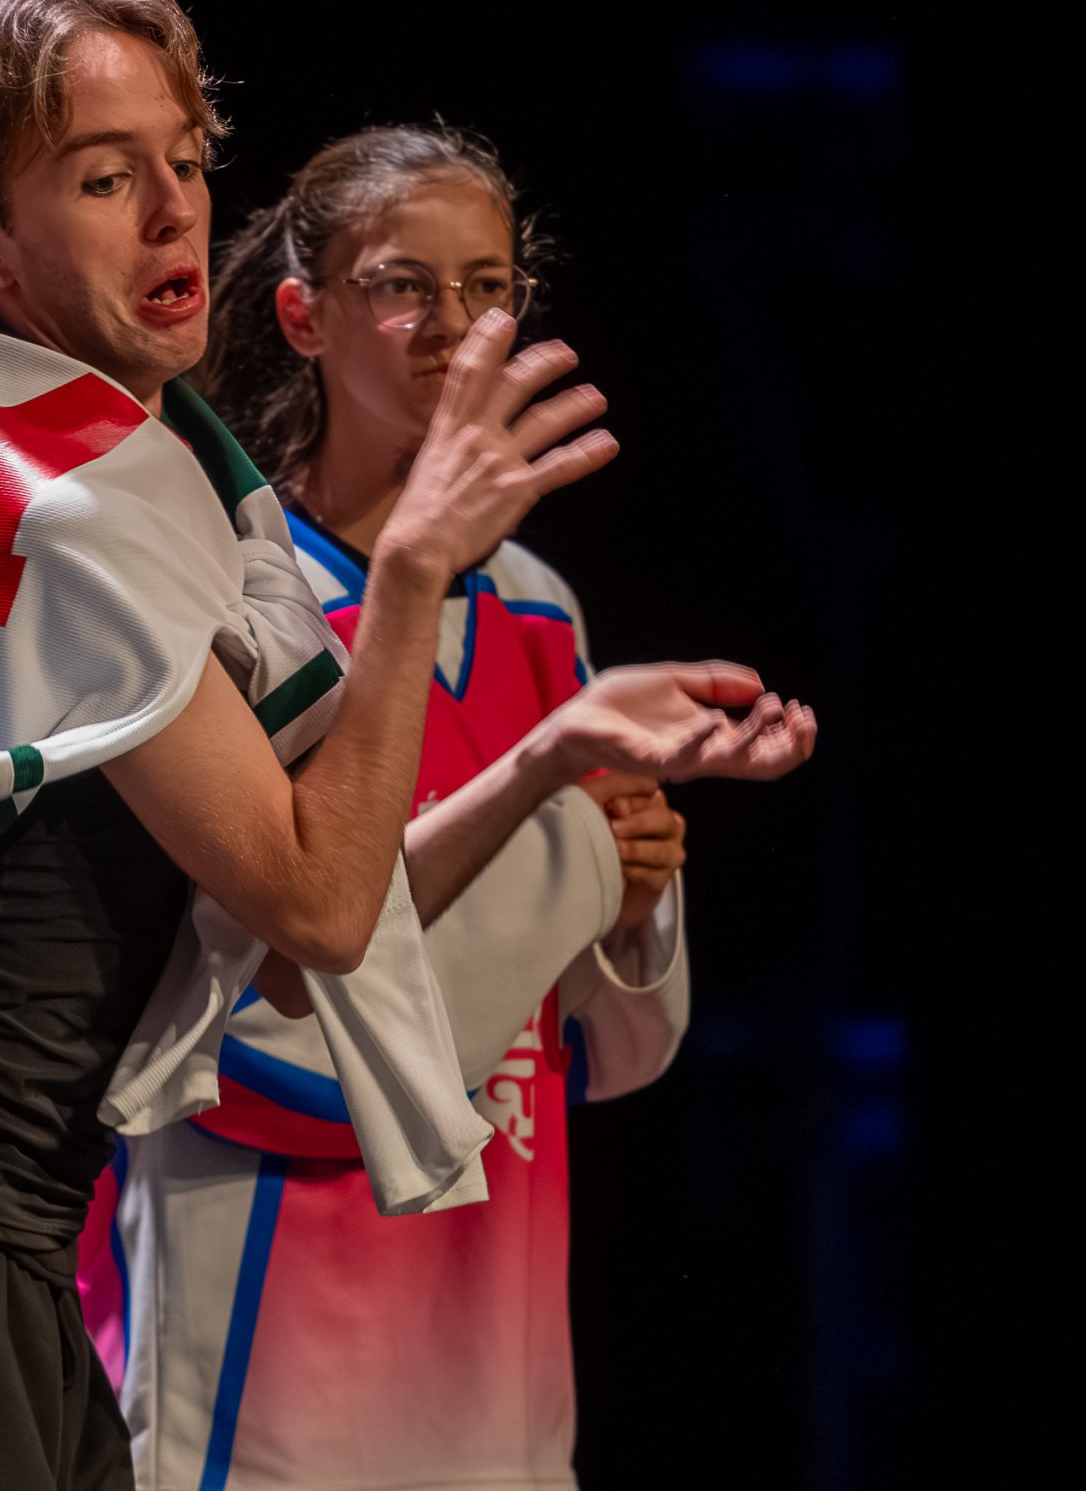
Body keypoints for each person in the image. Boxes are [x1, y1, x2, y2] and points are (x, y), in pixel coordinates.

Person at [0, 0, 812, 1491]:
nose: (175, 211)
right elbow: (320, 911)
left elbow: (297, 934)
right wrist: (412, 575)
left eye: (189, 161)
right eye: (104, 177)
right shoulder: (70, 508)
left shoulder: (145, 482)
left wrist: (550, 749)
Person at [85, 125, 804, 1491]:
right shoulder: (238, 603)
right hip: (269, 1339)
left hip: (491, 1354)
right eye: (403, 287)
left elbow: (610, 1045)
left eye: (487, 288)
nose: (455, 329)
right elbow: (247, 1046)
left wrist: (635, 893)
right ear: (302, 316)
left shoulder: (537, 607)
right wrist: (569, 846)